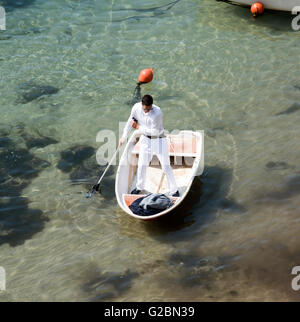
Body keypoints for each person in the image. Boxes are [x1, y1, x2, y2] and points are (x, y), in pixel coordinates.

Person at [119, 94, 179, 197]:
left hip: (159, 140)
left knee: (165, 166)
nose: (147, 111)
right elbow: (130, 122)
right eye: (145, 109)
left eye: (149, 109)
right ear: (142, 104)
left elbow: (154, 132)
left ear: (152, 105)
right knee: (142, 165)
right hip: (145, 140)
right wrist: (123, 137)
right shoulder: (136, 107)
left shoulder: (157, 113)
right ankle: (139, 187)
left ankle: (174, 190)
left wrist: (138, 127)